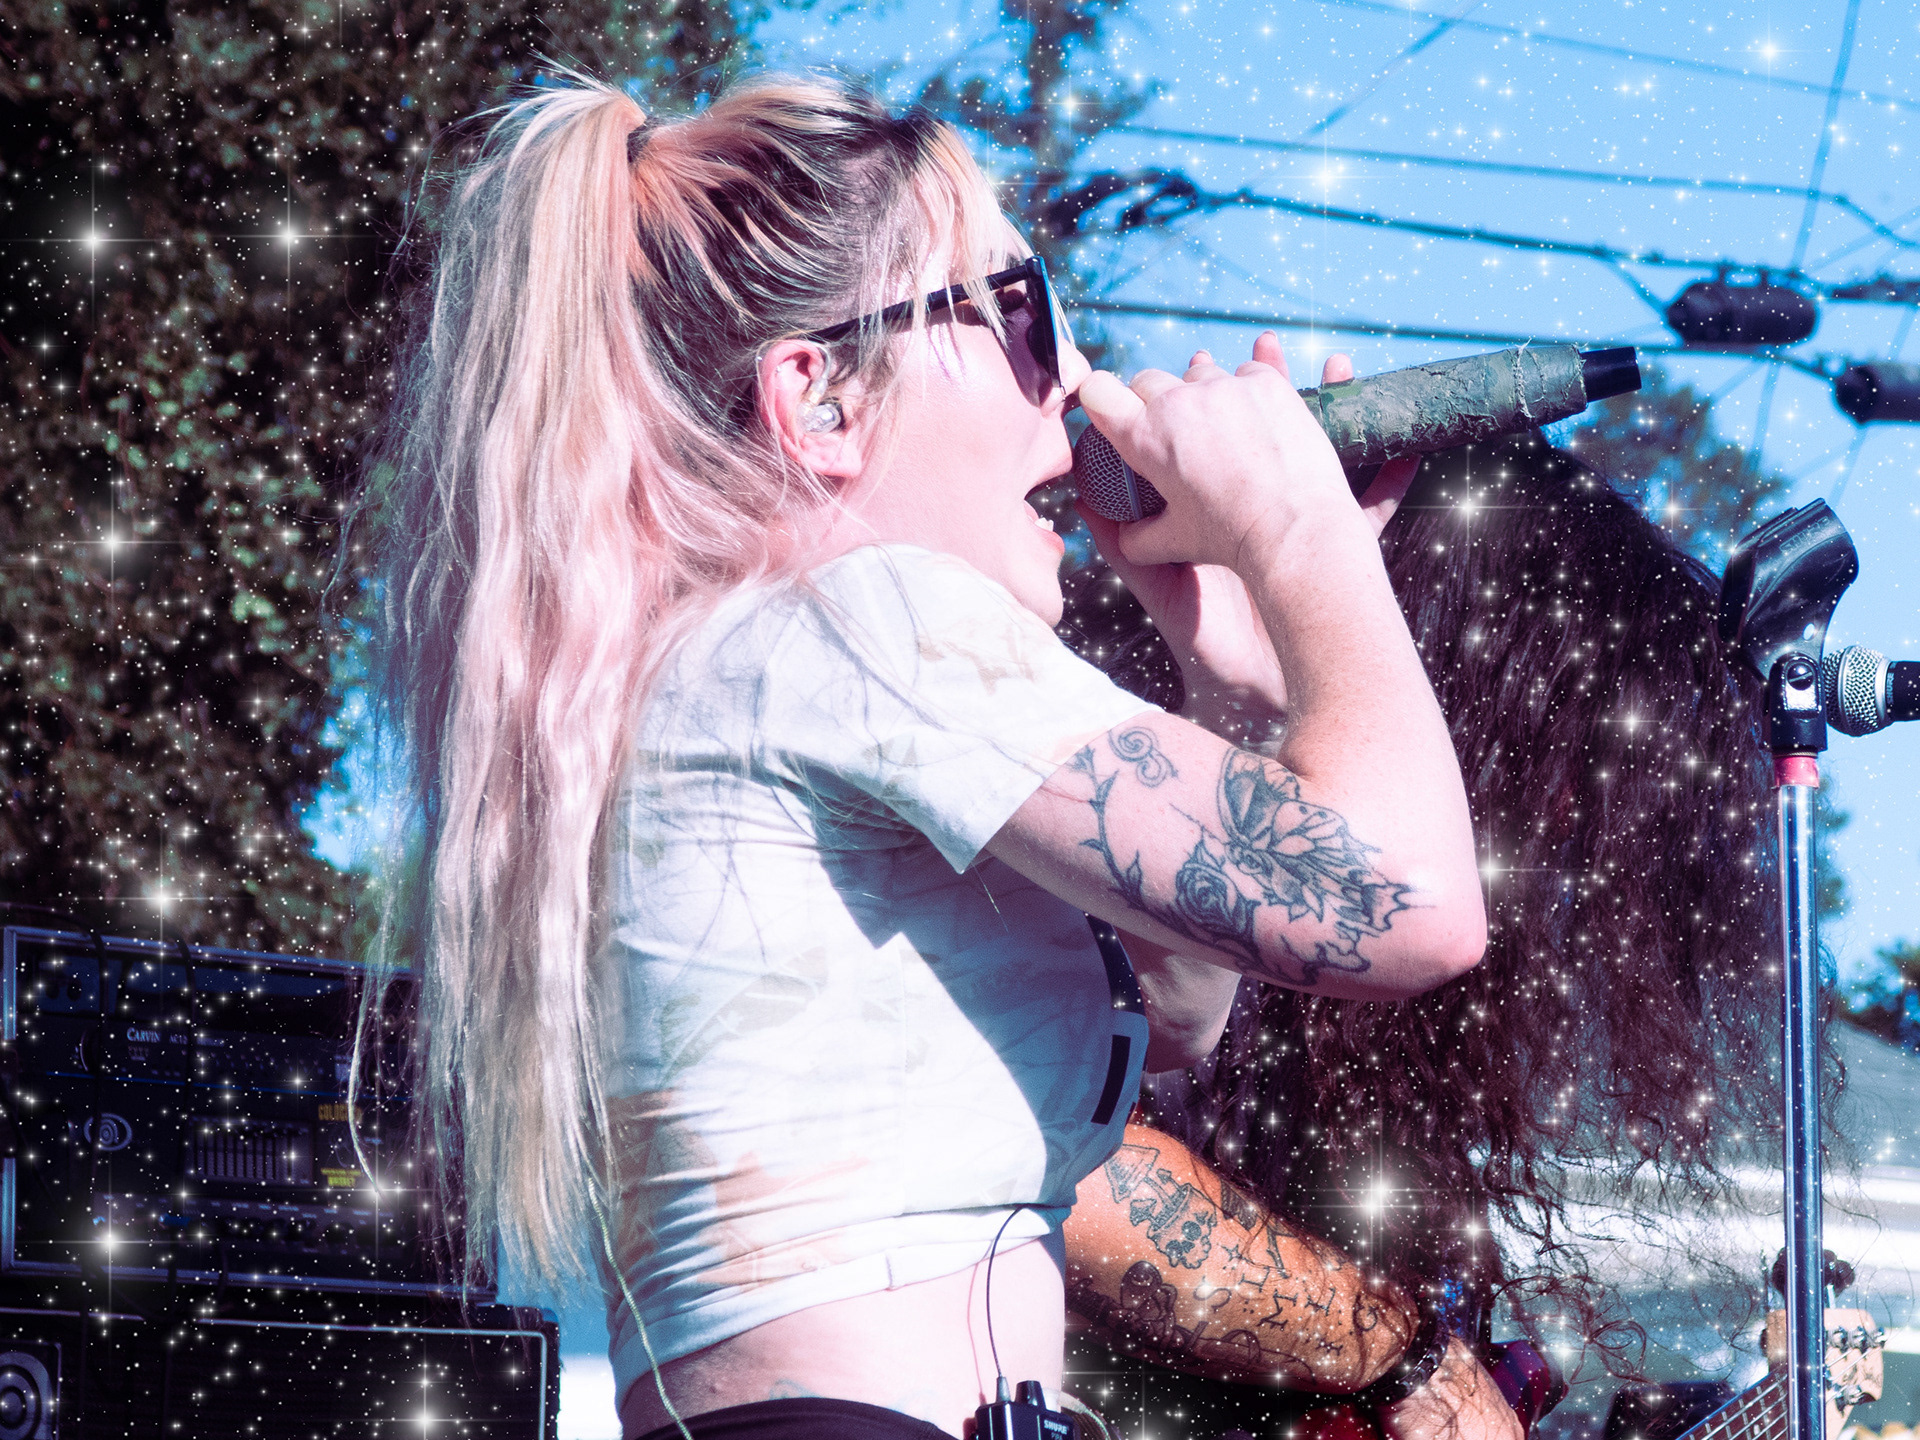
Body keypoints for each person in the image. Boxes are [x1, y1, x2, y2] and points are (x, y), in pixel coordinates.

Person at [351, 72, 1489, 1440]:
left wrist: (1236, 685)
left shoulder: (727, 662)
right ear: (822, 400)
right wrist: (1302, 533)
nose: (1075, 379)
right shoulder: (861, 619)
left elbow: (1174, 1019)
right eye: (1020, 311)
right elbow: (1415, 909)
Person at [1049, 429, 1780, 1439]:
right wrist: (1408, 1361)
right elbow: (1057, 1159)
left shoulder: (1383, 1056)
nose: (1572, 823)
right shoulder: (1107, 810)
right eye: (1558, 755)